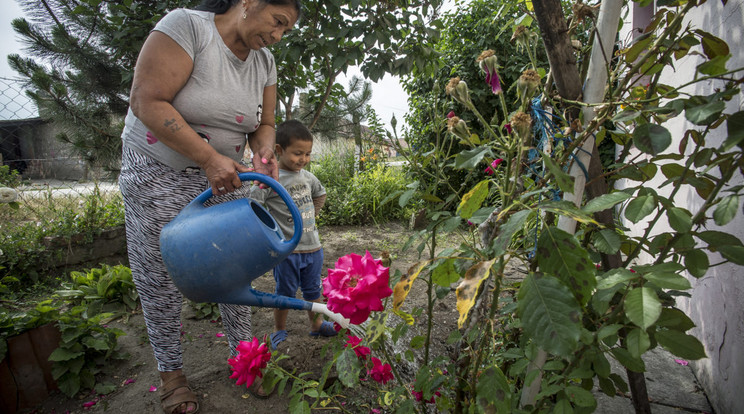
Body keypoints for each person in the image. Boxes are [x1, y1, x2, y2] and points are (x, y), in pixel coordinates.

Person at [118, 1, 300, 413]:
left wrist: (265, 152)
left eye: (286, 30)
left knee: (235, 266)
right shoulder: (187, 27)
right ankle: (172, 374)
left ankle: (245, 359)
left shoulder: (264, 62)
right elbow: (146, 100)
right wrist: (206, 158)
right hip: (158, 168)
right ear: (249, 3)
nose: (277, 36)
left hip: (227, 174)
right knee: (160, 271)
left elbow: (264, 124)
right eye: (277, 22)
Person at [250, 120, 337, 352]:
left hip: (313, 248)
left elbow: (321, 194)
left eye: (307, 154)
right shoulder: (271, 181)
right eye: (298, 153)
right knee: (285, 292)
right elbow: (253, 204)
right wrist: (269, 233)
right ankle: (279, 329)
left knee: (313, 291)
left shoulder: (308, 178)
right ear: (279, 150)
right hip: (287, 251)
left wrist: (312, 216)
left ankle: (316, 325)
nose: (304, 159)